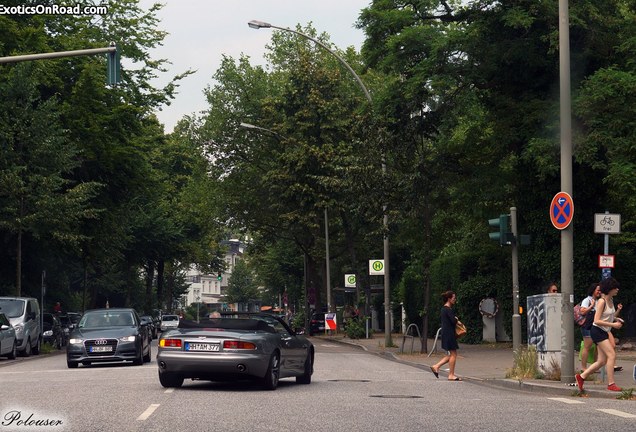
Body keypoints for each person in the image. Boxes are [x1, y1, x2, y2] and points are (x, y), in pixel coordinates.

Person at [575, 277, 623, 392]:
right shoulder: (601, 301)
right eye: (615, 288)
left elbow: (607, 317)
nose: (617, 290)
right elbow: (596, 320)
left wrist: (616, 319)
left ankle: (581, 377)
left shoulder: (611, 300)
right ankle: (611, 384)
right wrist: (613, 325)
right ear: (609, 288)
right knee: (611, 355)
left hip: (603, 331)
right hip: (598, 331)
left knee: (601, 361)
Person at [431, 290, 462, 381]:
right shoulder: (448, 309)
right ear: (449, 299)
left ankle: (436, 366)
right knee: (453, 354)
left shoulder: (443, 309)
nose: (455, 300)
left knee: (452, 354)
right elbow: (452, 321)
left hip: (446, 333)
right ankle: (451, 375)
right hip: (449, 334)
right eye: (454, 298)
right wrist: (457, 320)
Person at [579, 282, 601, 371]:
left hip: (595, 326)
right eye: (598, 290)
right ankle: (584, 368)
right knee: (587, 346)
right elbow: (582, 312)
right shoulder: (587, 300)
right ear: (593, 291)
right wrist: (591, 306)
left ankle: (594, 366)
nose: (599, 292)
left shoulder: (598, 301)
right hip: (587, 326)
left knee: (596, 346)